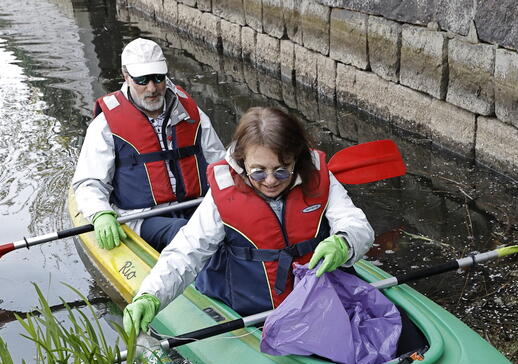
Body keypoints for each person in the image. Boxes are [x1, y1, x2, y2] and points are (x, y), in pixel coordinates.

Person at [122, 106, 375, 336]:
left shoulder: (319, 175)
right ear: (243, 161)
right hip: (254, 307)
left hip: (315, 297)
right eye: (258, 171)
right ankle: (146, 226)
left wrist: (344, 241)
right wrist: (150, 296)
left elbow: (355, 223)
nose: (270, 180)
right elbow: (188, 252)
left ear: (296, 158)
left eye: (281, 169)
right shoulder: (224, 191)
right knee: (180, 233)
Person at [71, 38, 225, 252]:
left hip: (194, 205)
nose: (152, 88)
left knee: (226, 228)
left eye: (158, 78)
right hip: (142, 216)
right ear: (126, 77)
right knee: (184, 231)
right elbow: (89, 182)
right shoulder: (105, 125)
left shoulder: (191, 113)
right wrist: (100, 213)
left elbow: (220, 164)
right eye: (142, 80)